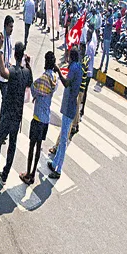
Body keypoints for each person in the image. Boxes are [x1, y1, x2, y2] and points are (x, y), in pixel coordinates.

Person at [0, 35, 32, 190]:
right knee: (12, 145)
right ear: (22, 55)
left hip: (7, 115)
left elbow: (2, 71)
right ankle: (4, 175)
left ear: (15, 54)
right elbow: (30, 79)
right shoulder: (26, 72)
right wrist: (28, 64)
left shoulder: (12, 71)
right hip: (17, 116)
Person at [20, 51, 57, 185]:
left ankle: (28, 174)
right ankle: (33, 173)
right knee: (38, 147)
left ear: (46, 63)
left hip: (37, 118)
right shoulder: (54, 79)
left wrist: (29, 67)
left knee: (31, 147)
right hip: (46, 118)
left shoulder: (42, 79)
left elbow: (33, 87)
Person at [48, 47, 83, 179]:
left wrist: (58, 71)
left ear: (71, 57)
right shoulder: (77, 67)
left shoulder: (74, 68)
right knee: (63, 136)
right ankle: (55, 162)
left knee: (63, 140)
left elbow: (67, 83)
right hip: (70, 105)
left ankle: (58, 169)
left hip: (69, 107)